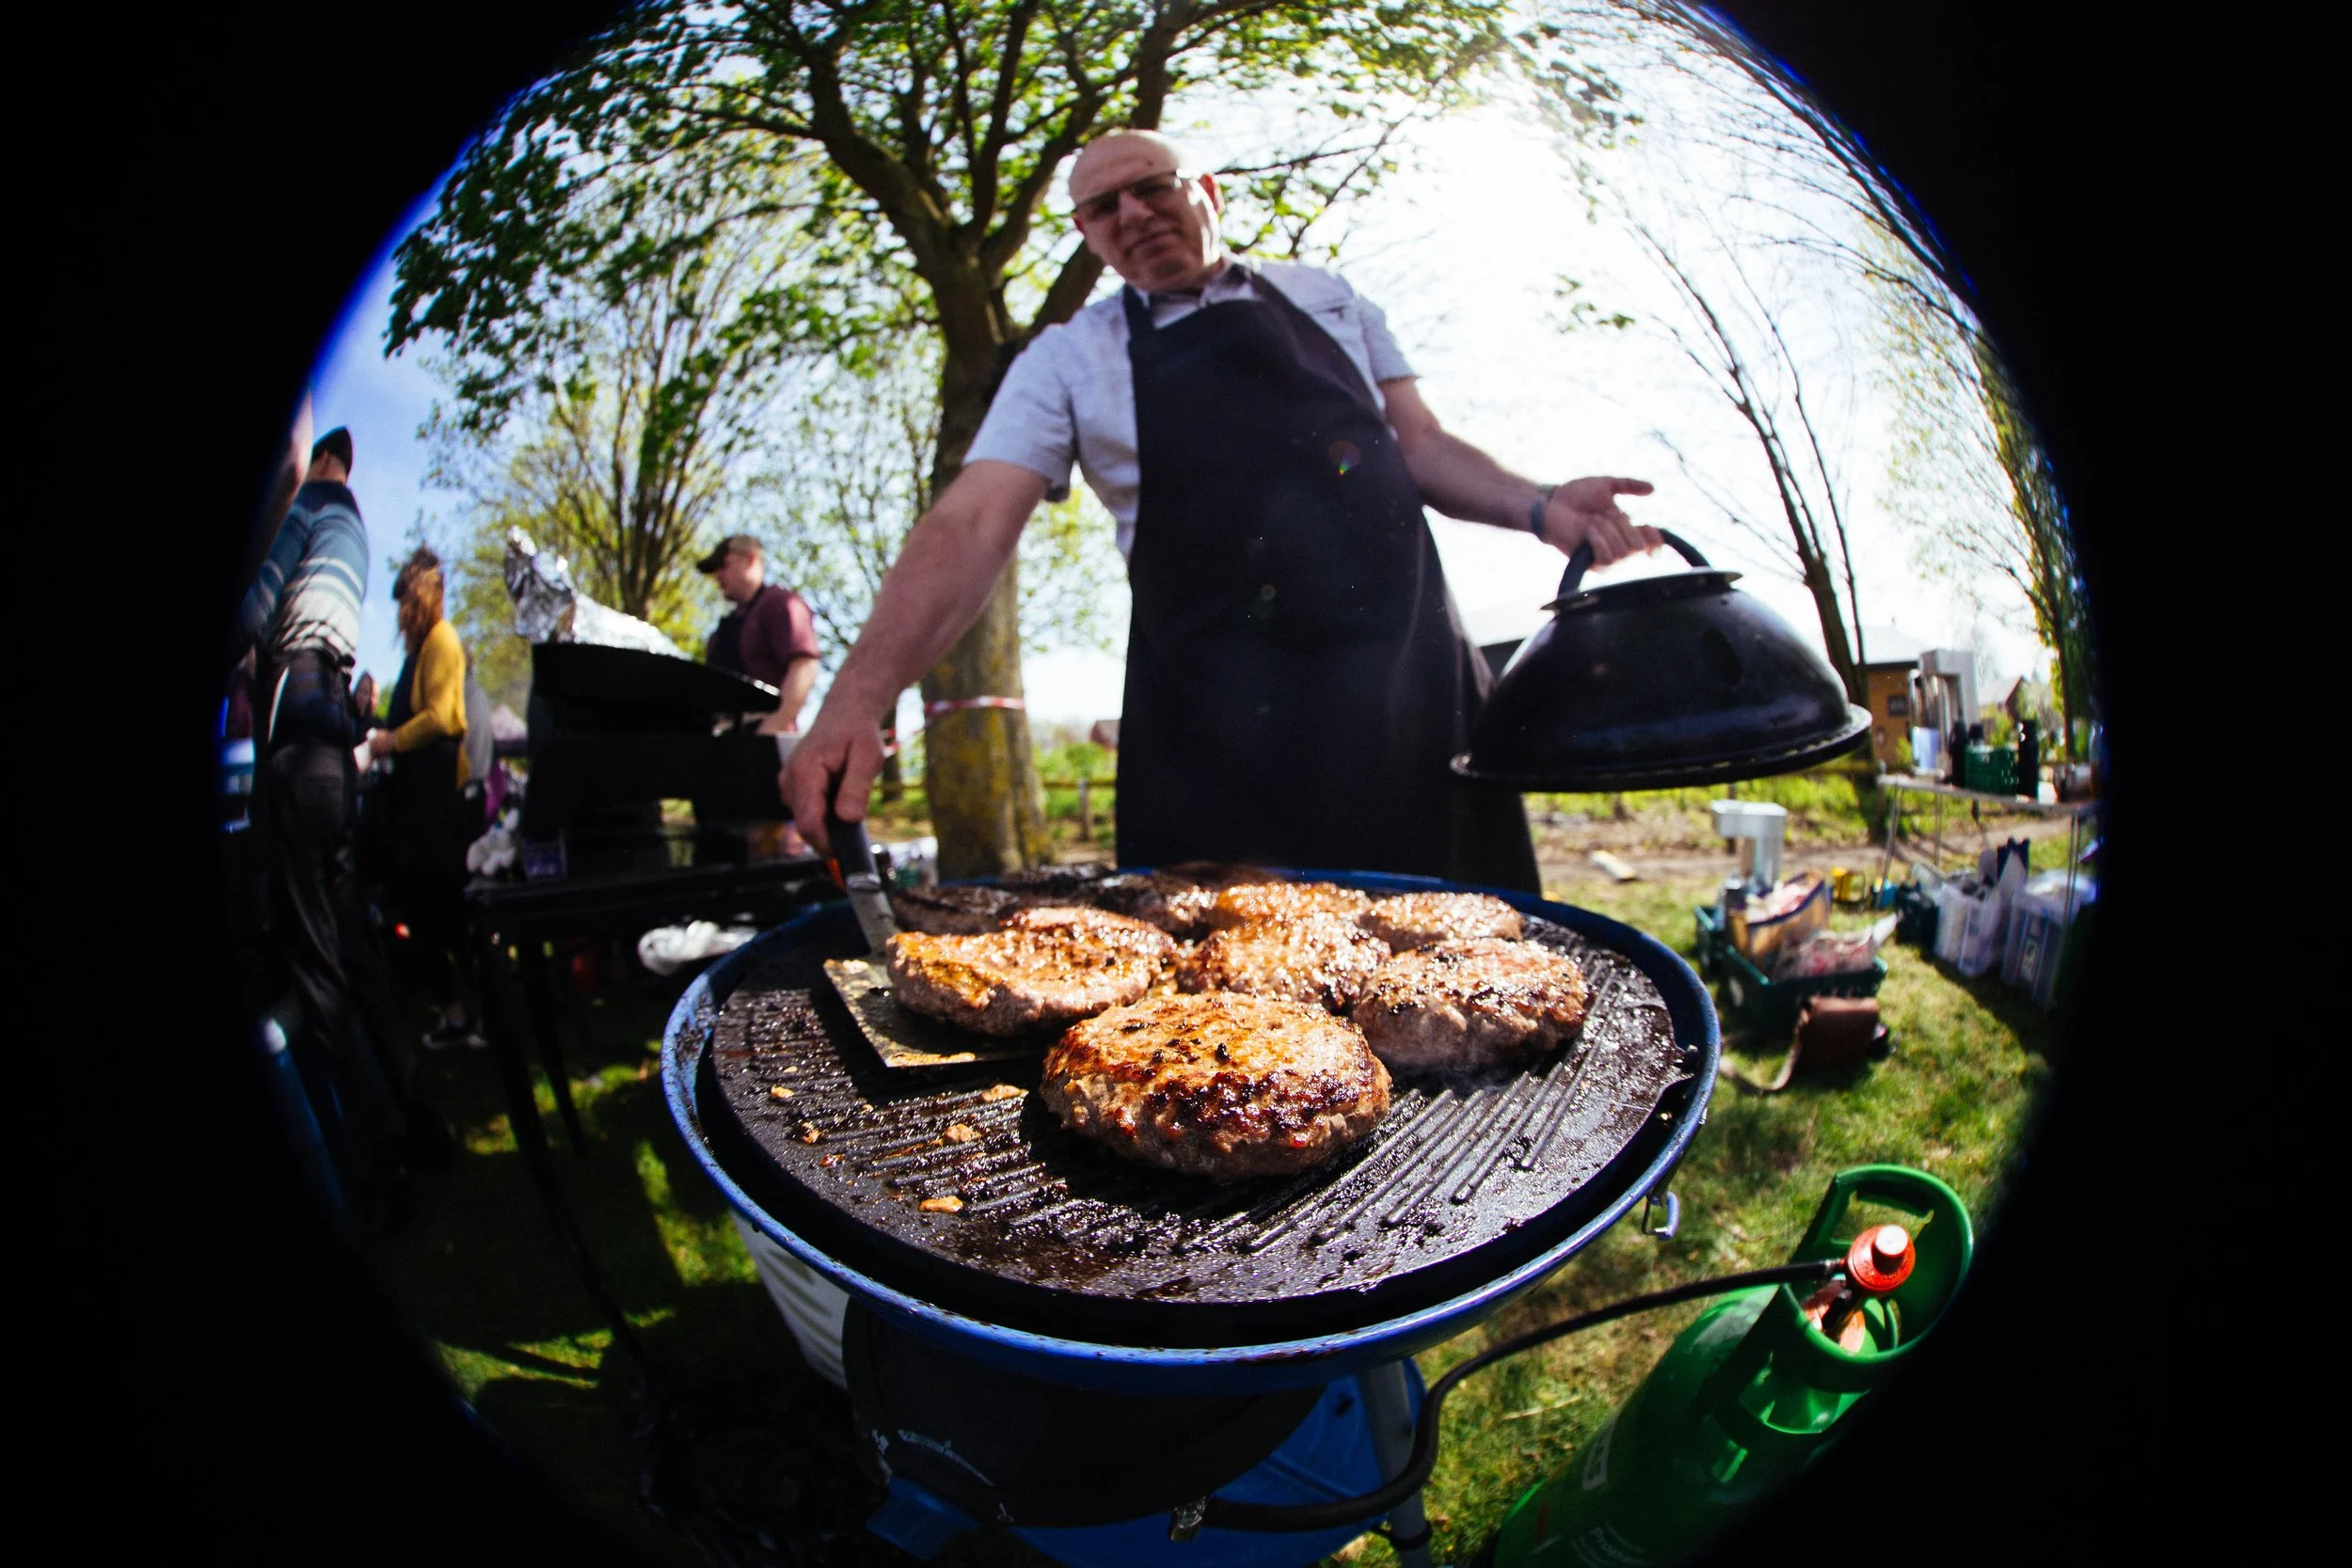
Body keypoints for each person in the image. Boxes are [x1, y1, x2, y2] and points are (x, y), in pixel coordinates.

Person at [784, 130, 1661, 884]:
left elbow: (1421, 445)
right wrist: (857, 694)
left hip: (1409, 698)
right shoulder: (1064, 360)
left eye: (1151, 186)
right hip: (1215, 741)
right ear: (1088, 236)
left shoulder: (1328, 297)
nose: (1131, 213)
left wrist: (1542, 506)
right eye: (1101, 207)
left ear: (1205, 192)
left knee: (1464, 976)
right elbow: (973, 522)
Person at [238, 427, 446, 1229]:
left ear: (320, 461)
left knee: (316, 966)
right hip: (332, 747)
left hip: (297, 743)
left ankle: (376, 1172)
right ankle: (423, 1122)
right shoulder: (355, 530)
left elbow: (257, 605)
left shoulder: (315, 501)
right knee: (354, 954)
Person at [364, 547, 485, 1050]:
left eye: (402, 603)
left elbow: (442, 718)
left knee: (441, 912)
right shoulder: (420, 652)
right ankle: (462, 1013)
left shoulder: (442, 640)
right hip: (418, 807)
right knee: (432, 913)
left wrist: (388, 742)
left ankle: (466, 1017)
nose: (397, 616)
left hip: (435, 810)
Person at [698, 533, 820, 739]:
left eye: (724, 565)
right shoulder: (720, 633)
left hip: (765, 746)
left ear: (750, 559)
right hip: (723, 744)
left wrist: (774, 726)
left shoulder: (780, 604)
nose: (718, 576)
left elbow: (805, 666)